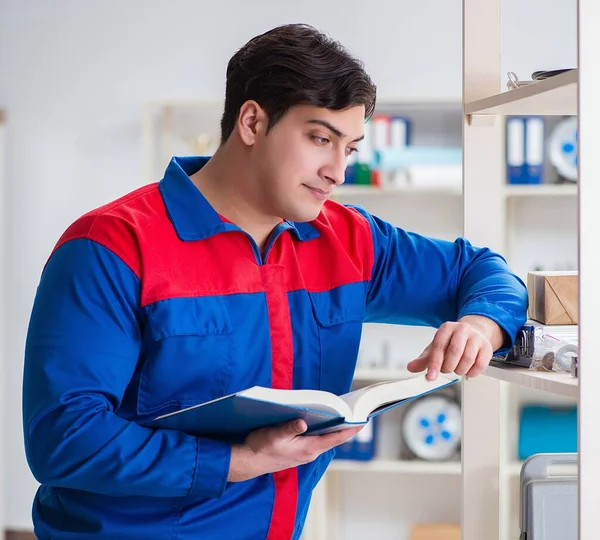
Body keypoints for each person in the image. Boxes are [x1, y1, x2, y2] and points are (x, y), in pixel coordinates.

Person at [22, 23, 527, 540]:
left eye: (349, 148)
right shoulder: (110, 248)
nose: (337, 171)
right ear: (251, 121)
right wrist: (236, 461)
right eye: (319, 138)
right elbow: (63, 438)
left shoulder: (347, 240)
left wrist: (481, 325)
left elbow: (483, 270)